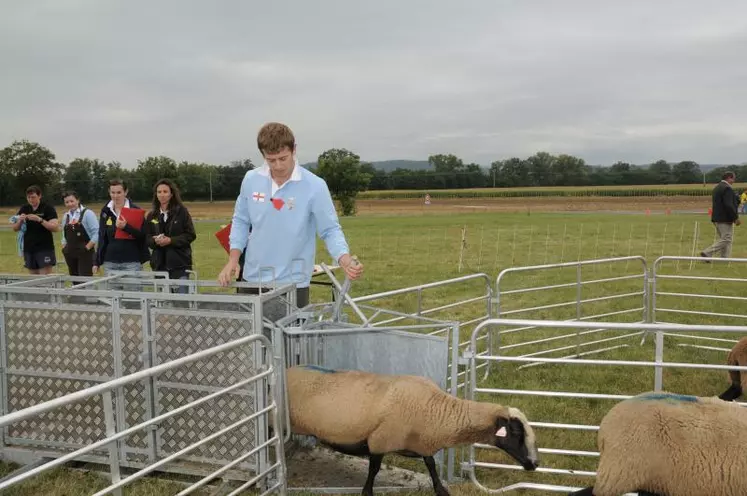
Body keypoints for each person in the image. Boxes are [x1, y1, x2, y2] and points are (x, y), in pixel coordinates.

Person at [218, 121, 363, 311]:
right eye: (271, 160)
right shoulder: (251, 180)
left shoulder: (315, 186)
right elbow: (241, 221)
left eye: (283, 158)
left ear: (294, 149)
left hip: (294, 283)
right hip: (252, 278)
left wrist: (344, 258)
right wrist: (233, 260)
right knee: (254, 339)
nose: (278, 166)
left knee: (290, 340)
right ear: (263, 155)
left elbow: (330, 230)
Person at [144, 179, 196, 293]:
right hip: (159, 266)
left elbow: (190, 235)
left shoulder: (182, 212)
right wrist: (154, 241)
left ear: (171, 194)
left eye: (165, 191)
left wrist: (171, 241)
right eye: (159, 192)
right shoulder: (151, 215)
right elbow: (147, 238)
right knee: (163, 304)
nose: (162, 195)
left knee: (181, 302)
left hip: (180, 265)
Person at [94, 179, 150, 275]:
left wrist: (126, 227)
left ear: (126, 192)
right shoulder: (105, 212)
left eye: (119, 192)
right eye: (113, 192)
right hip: (110, 263)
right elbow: (102, 237)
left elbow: (143, 236)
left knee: (132, 290)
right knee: (112, 291)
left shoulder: (136, 210)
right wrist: (96, 261)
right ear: (109, 192)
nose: (115, 196)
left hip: (132, 262)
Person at [12, 185, 59, 275]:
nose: (31, 200)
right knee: (33, 278)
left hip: (44, 248)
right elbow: (15, 228)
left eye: (33, 197)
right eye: (28, 197)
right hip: (29, 248)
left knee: (44, 278)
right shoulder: (24, 208)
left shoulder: (48, 208)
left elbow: (55, 228)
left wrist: (39, 220)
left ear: (39, 196)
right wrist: (20, 221)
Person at [701, 171, 741, 260]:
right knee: (727, 239)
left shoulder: (717, 187)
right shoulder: (727, 188)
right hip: (724, 218)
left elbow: (723, 203)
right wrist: (735, 217)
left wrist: (736, 200)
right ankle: (707, 252)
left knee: (725, 239)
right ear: (729, 178)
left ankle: (724, 258)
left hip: (716, 217)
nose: (734, 181)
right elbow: (728, 205)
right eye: (733, 178)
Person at [60, 190, 99, 281]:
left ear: (78, 200)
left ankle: (87, 295)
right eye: (67, 202)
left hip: (85, 253)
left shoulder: (88, 213)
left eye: (72, 201)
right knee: (74, 280)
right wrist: (64, 247)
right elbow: (63, 235)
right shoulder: (66, 216)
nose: (70, 204)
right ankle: (76, 296)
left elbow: (96, 233)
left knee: (85, 280)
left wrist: (87, 247)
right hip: (70, 253)